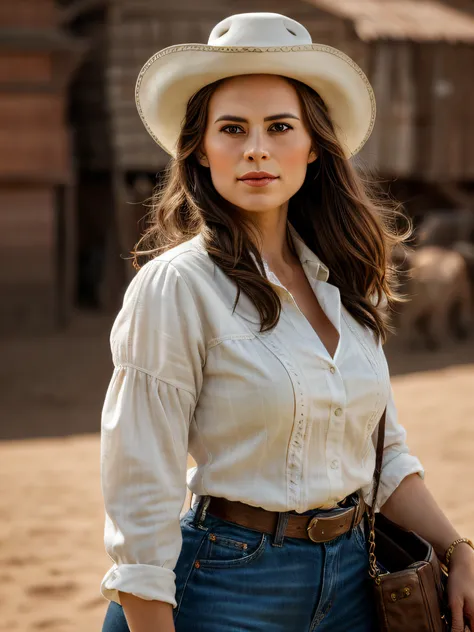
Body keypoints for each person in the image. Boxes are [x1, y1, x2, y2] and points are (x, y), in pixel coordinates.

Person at [100, 12, 474, 632]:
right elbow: (141, 488)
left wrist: (460, 550)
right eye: (231, 128)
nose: (255, 148)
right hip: (223, 585)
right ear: (199, 147)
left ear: (313, 147)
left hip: (359, 582)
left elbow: (382, 458)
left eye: (279, 127)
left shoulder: (345, 284)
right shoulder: (176, 287)